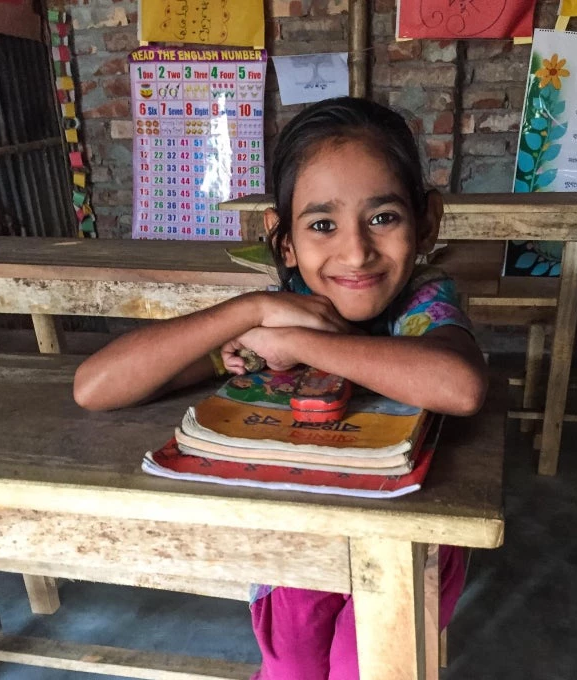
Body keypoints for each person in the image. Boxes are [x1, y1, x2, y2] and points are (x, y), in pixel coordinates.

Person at [74, 96, 488, 679]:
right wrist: (251, 308)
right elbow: (95, 387)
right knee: (291, 663)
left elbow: (460, 385)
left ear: (427, 222)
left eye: (383, 217)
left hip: (408, 543)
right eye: (322, 224)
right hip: (300, 531)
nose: (355, 250)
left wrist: (296, 345)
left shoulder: (425, 302)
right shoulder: (271, 317)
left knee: (361, 664)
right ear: (283, 237)